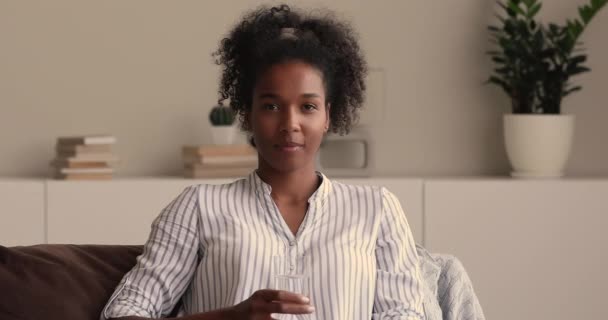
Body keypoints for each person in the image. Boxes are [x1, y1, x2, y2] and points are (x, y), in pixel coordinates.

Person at [101, 4, 425, 320]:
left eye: (308, 107)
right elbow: (123, 313)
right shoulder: (199, 207)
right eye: (271, 106)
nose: (290, 123)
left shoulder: (377, 210)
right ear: (248, 114)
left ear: (329, 115)